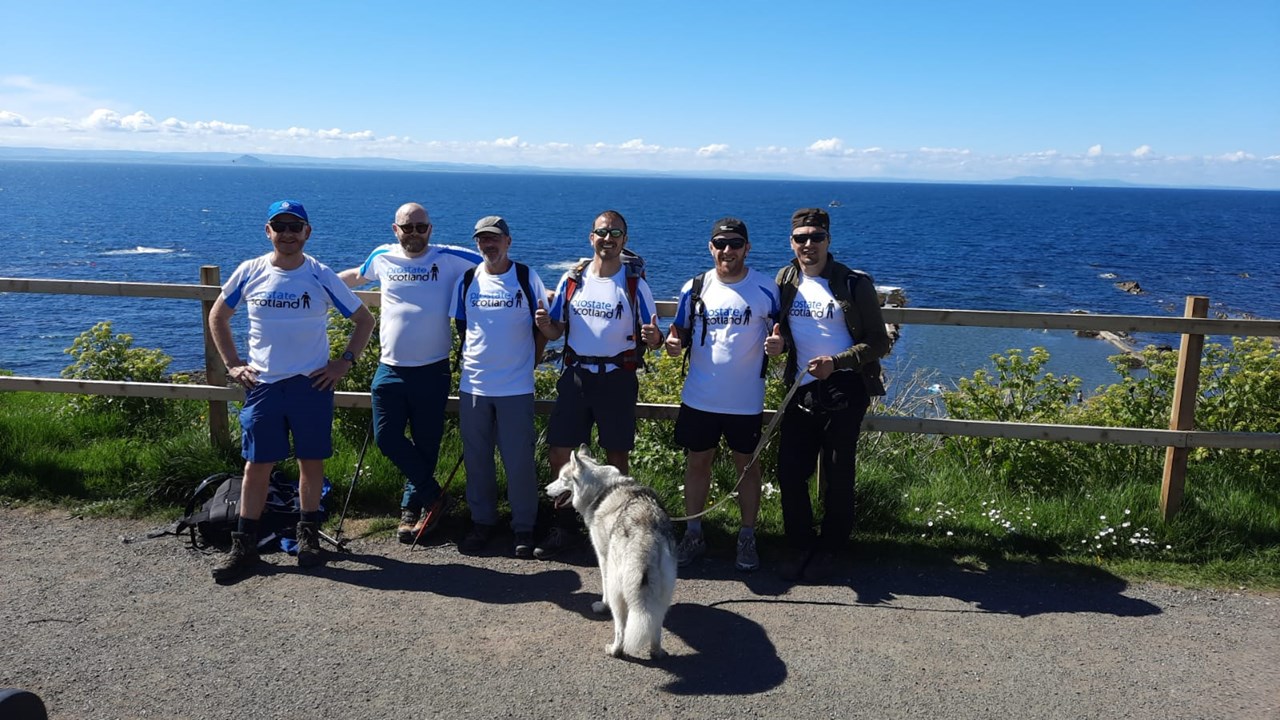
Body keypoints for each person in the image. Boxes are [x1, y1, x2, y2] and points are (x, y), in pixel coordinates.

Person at [207, 200, 374, 582]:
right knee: (256, 466)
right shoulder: (250, 271)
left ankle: (308, 537)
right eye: (279, 226)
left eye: (294, 226)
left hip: (310, 384)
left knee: (310, 463)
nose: (286, 233)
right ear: (268, 231)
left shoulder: (320, 274)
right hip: (264, 384)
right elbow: (218, 315)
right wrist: (233, 364)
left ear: (306, 233)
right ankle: (244, 544)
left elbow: (364, 319)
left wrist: (344, 362)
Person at [339, 203, 482, 543]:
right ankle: (435, 497)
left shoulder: (449, 258)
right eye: (408, 227)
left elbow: (498, 265)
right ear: (395, 229)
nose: (414, 233)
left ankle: (411, 510)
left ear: (430, 229)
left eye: (421, 227)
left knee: (427, 444)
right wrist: (317, 285)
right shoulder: (382, 257)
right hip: (390, 368)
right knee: (386, 437)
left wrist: (543, 292)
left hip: (432, 369)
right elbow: (357, 276)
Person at [773, 207, 891, 583]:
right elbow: (781, 326)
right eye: (801, 238)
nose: (808, 245)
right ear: (791, 243)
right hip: (801, 388)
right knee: (791, 471)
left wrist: (837, 363)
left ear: (828, 240)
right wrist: (777, 343)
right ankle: (800, 543)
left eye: (816, 237)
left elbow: (879, 341)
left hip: (845, 387)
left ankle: (833, 548)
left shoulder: (854, 283)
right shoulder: (785, 279)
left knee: (839, 472)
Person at [538, 210, 662, 559]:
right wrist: (545, 324)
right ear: (591, 237)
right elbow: (556, 330)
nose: (608, 239)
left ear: (624, 240)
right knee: (560, 451)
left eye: (615, 233)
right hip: (577, 376)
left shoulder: (635, 284)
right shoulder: (573, 280)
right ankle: (564, 528)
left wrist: (654, 337)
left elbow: (653, 337)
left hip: (617, 378)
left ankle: (617, 528)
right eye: (602, 232)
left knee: (615, 456)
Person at [664, 217, 781, 572]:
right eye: (720, 244)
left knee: (747, 468)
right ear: (710, 248)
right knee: (697, 462)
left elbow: (782, 334)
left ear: (747, 248)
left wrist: (779, 346)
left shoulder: (767, 288)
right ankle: (694, 533)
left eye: (734, 244)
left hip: (745, 399)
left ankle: (747, 536)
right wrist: (671, 345)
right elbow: (679, 333)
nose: (726, 251)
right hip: (700, 396)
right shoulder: (696, 286)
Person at [450, 216, 560, 557]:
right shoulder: (467, 280)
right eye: (482, 240)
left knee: (519, 462)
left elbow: (544, 327)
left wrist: (529, 362)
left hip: (515, 387)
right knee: (477, 459)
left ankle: (523, 527)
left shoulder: (526, 277)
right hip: (474, 386)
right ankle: (483, 523)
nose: (488, 245)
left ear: (508, 242)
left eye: (495, 239)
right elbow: (463, 327)